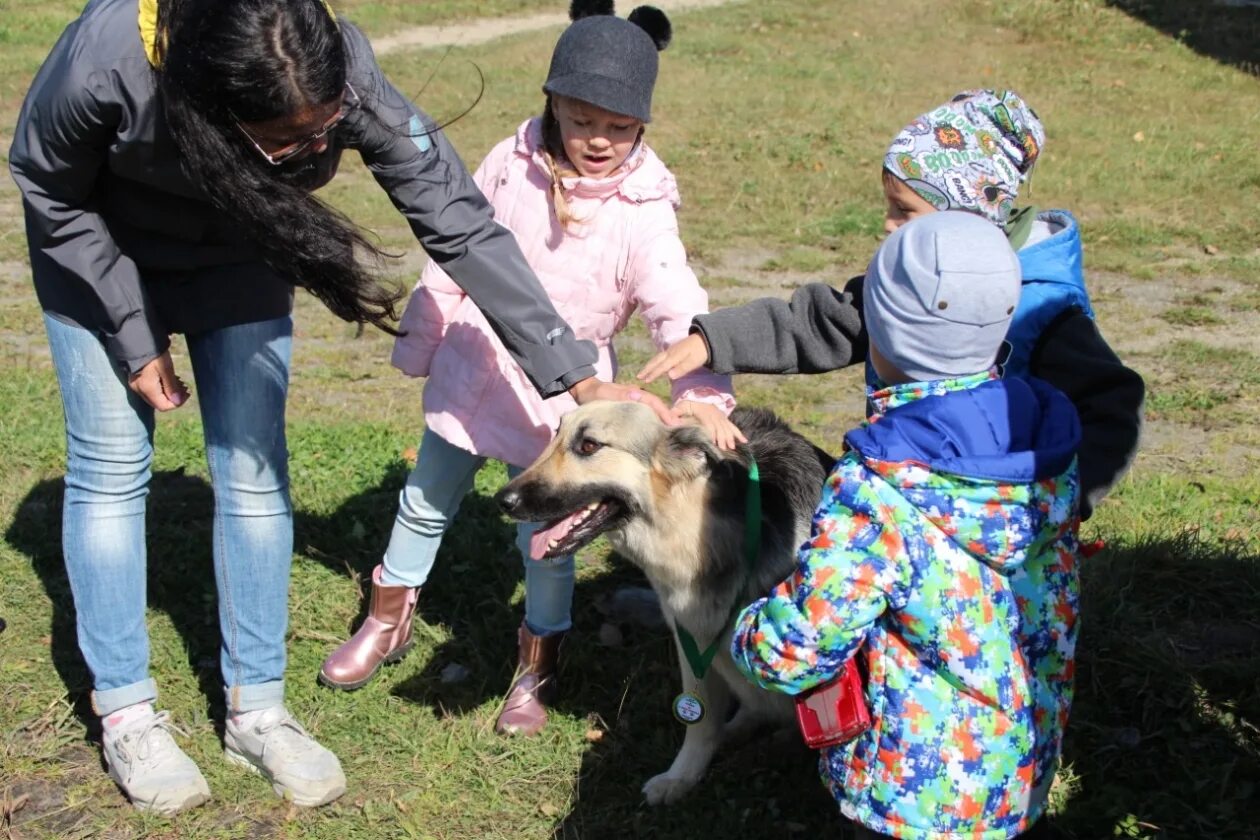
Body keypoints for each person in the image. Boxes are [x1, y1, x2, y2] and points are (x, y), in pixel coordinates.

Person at [9, 0, 678, 815]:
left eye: (327, 133)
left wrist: (573, 374)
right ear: (215, 104)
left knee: (254, 471)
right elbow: (48, 184)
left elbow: (459, 221)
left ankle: (257, 709)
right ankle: (128, 713)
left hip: (239, 243)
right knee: (112, 469)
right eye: (290, 142)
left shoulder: (333, 65)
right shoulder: (104, 64)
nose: (318, 153)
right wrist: (130, 328)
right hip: (98, 254)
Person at [318, 0, 740, 740]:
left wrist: (703, 391)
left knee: (546, 540)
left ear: (642, 125)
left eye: (619, 126)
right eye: (581, 120)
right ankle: (388, 618)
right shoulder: (510, 162)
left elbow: (677, 302)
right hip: (474, 366)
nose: (599, 139)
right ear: (552, 105)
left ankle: (536, 660)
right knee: (425, 498)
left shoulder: (644, 206)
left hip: (562, 402)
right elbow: (455, 247)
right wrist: (423, 337)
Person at [731, 211, 1082, 839]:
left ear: (883, 331)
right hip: (1018, 763)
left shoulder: (880, 486)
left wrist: (748, 632)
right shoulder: (1044, 445)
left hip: (912, 795)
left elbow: (801, 644)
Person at [639, 88, 1144, 521]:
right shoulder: (909, 279)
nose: (887, 223)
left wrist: (1057, 500)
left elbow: (1111, 405)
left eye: (904, 210)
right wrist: (715, 340)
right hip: (901, 489)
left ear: (965, 214)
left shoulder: (1044, 310)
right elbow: (824, 323)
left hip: (991, 513)